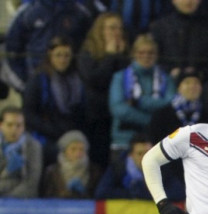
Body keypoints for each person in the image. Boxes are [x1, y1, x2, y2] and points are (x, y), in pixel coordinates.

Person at [77, 11, 130, 170]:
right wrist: (110, 56)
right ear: (100, 30)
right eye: (112, 28)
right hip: (95, 116)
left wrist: (119, 57)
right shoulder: (87, 53)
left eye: (119, 28)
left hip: (119, 117)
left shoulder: (126, 54)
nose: (117, 32)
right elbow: (95, 79)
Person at [22, 36, 87, 166]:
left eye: (66, 55)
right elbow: (29, 114)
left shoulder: (77, 79)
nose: (62, 60)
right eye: (58, 55)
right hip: (46, 135)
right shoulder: (38, 81)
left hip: (71, 131)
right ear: (50, 55)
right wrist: (53, 130)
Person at [108, 34, 176, 155]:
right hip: (125, 140)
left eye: (150, 52)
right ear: (134, 53)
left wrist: (137, 102)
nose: (146, 56)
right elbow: (119, 109)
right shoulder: (120, 77)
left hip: (158, 141)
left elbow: (170, 103)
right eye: (141, 52)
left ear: (156, 55)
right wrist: (152, 120)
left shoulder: (166, 79)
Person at [3, 0, 93, 91]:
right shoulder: (28, 12)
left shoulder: (80, 13)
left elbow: (90, 49)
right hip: (35, 84)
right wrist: (24, 85)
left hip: (70, 87)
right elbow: (11, 50)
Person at [150, 0, 208, 82]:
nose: (188, 1)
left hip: (203, 85)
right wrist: (169, 71)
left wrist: (200, 74)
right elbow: (152, 59)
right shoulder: (159, 28)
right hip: (164, 84)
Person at [95, 132, 185, 200]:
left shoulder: (163, 168)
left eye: (148, 153)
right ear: (130, 155)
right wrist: (131, 193)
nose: (145, 158)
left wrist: (144, 192)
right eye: (140, 153)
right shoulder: (118, 167)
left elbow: (179, 192)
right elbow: (101, 192)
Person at [148, 69, 208, 144]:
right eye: (187, 83)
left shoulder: (206, 114)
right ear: (178, 87)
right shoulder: (162, 114)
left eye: (196, 83)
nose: (192, 86)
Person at [42, 130, 101, 198]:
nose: (78, 153)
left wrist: (83, 193)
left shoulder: (95, 171)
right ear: (64, 151)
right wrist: (65, 193)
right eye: (73, 149)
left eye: (81, 149)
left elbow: (97, 198)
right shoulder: (52, 172)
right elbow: (47, 197)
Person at [0, 107, 43, 197]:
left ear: (24, 127)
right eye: (10, 125)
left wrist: (9, 199)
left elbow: (32, 183)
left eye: (19, 125)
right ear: (1, 125)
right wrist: (8, 172)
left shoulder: (33, 147)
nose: (14, 129)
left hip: (23, 201)